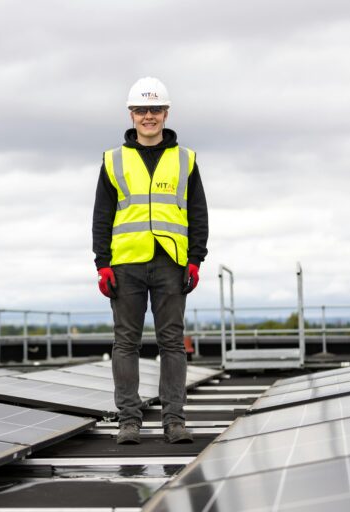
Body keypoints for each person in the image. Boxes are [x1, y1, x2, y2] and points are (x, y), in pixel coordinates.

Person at [91, 77, 209, 444]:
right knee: (125, 343)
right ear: (131, 115)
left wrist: (195, 259)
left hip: (171, 263)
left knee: (171, 342)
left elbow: (198, 212)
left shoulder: (185, 159)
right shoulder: (113, 160)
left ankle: (174, 421)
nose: (148, 116)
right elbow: (102, 215)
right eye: (141, 110)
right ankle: (129, 421)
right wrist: (102, 264)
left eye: (155, 109)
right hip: (126, 264)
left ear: (166, 113)